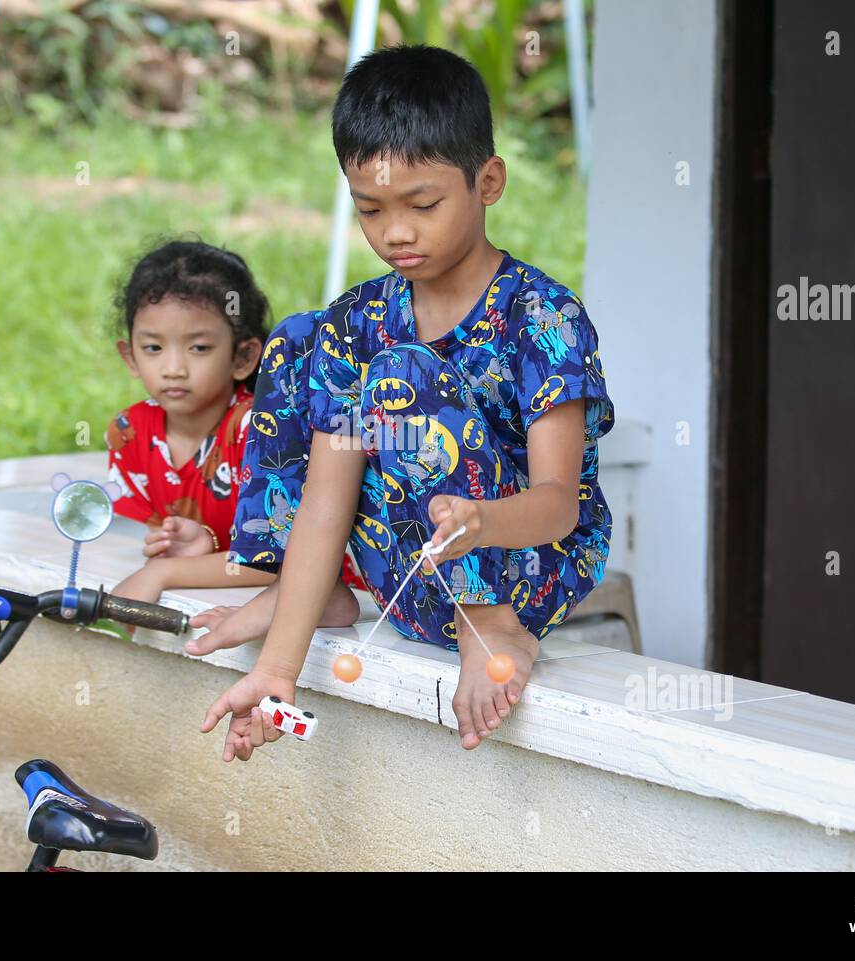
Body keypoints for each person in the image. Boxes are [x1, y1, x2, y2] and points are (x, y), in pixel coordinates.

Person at [197, 45, 616, 759]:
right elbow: (327, 502)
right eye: (371, 208)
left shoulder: (541, 317)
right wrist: (277, 671)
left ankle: (488, 624)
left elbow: (560, 503)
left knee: (401, 374)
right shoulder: (358, 321)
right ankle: (307, 588)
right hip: (407, 576)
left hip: (523, 566)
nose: (395, 232)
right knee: (298, 342)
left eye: (423, 205)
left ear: (488, 181)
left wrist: (483, 522)